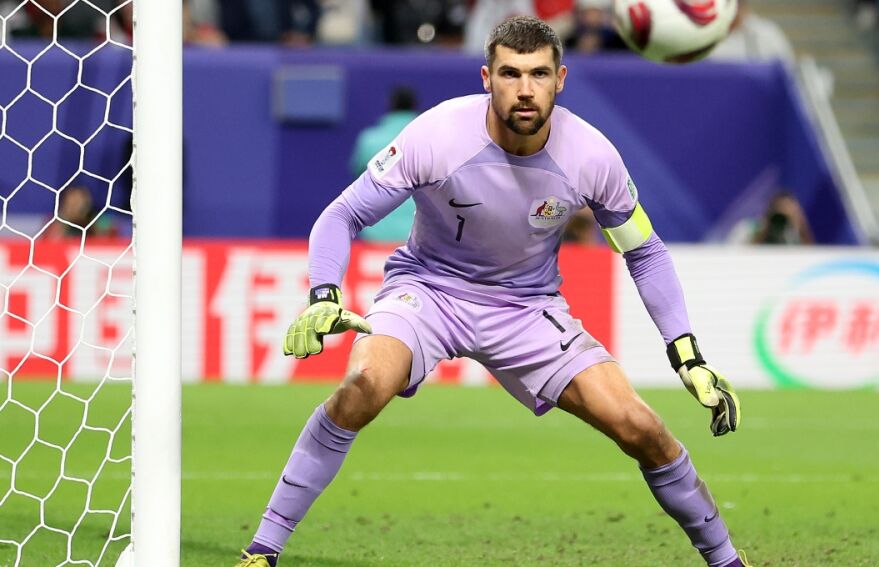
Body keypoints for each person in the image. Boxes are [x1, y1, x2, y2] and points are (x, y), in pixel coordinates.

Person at [236, 16, 747, 567]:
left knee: (641, 427)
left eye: (538, 74)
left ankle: (725, 560)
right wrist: (323, 294)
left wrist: (686, 354)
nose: (524, 89)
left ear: (561, 79)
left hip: (527, 309)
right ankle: (263, 550)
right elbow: (342, 214)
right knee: (363, 384)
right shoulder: (437, 135)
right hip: (429, 290)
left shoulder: (593, 156)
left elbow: (644, 251)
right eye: (510, 73)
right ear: (487, 77)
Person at [350, 87, 419, 242]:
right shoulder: (429, 140)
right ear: (414, 106)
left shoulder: (369, 140)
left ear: (390, 105)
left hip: (375, 232)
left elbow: (358, 176)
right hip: (417, 234)